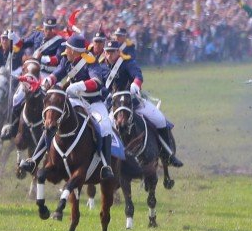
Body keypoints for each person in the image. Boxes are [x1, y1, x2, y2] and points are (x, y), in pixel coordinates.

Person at [19, 35, 114, 178]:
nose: (66, 50)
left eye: (68, 48)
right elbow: (57, 73)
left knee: (106, 126)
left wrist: (78, 86)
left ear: (75, 51)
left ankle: (106, 166)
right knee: (52, 121)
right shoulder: (66, 59)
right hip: (74, 100)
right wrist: (46, 82)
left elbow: (96, 82)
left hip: (93, 102)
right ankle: (34, 160)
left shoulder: (90, 62)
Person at [103, 39, 183, 167]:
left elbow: (138, 75)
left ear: (118, 52)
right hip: (116, 108)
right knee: (105, 131)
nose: (109, 55)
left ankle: (168, 154)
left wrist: (135, 84)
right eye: (107, 52)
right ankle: (107, 162)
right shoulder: (102, 67)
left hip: (134, 103)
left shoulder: (126, 62)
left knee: (160, 120)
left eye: (112, 52)